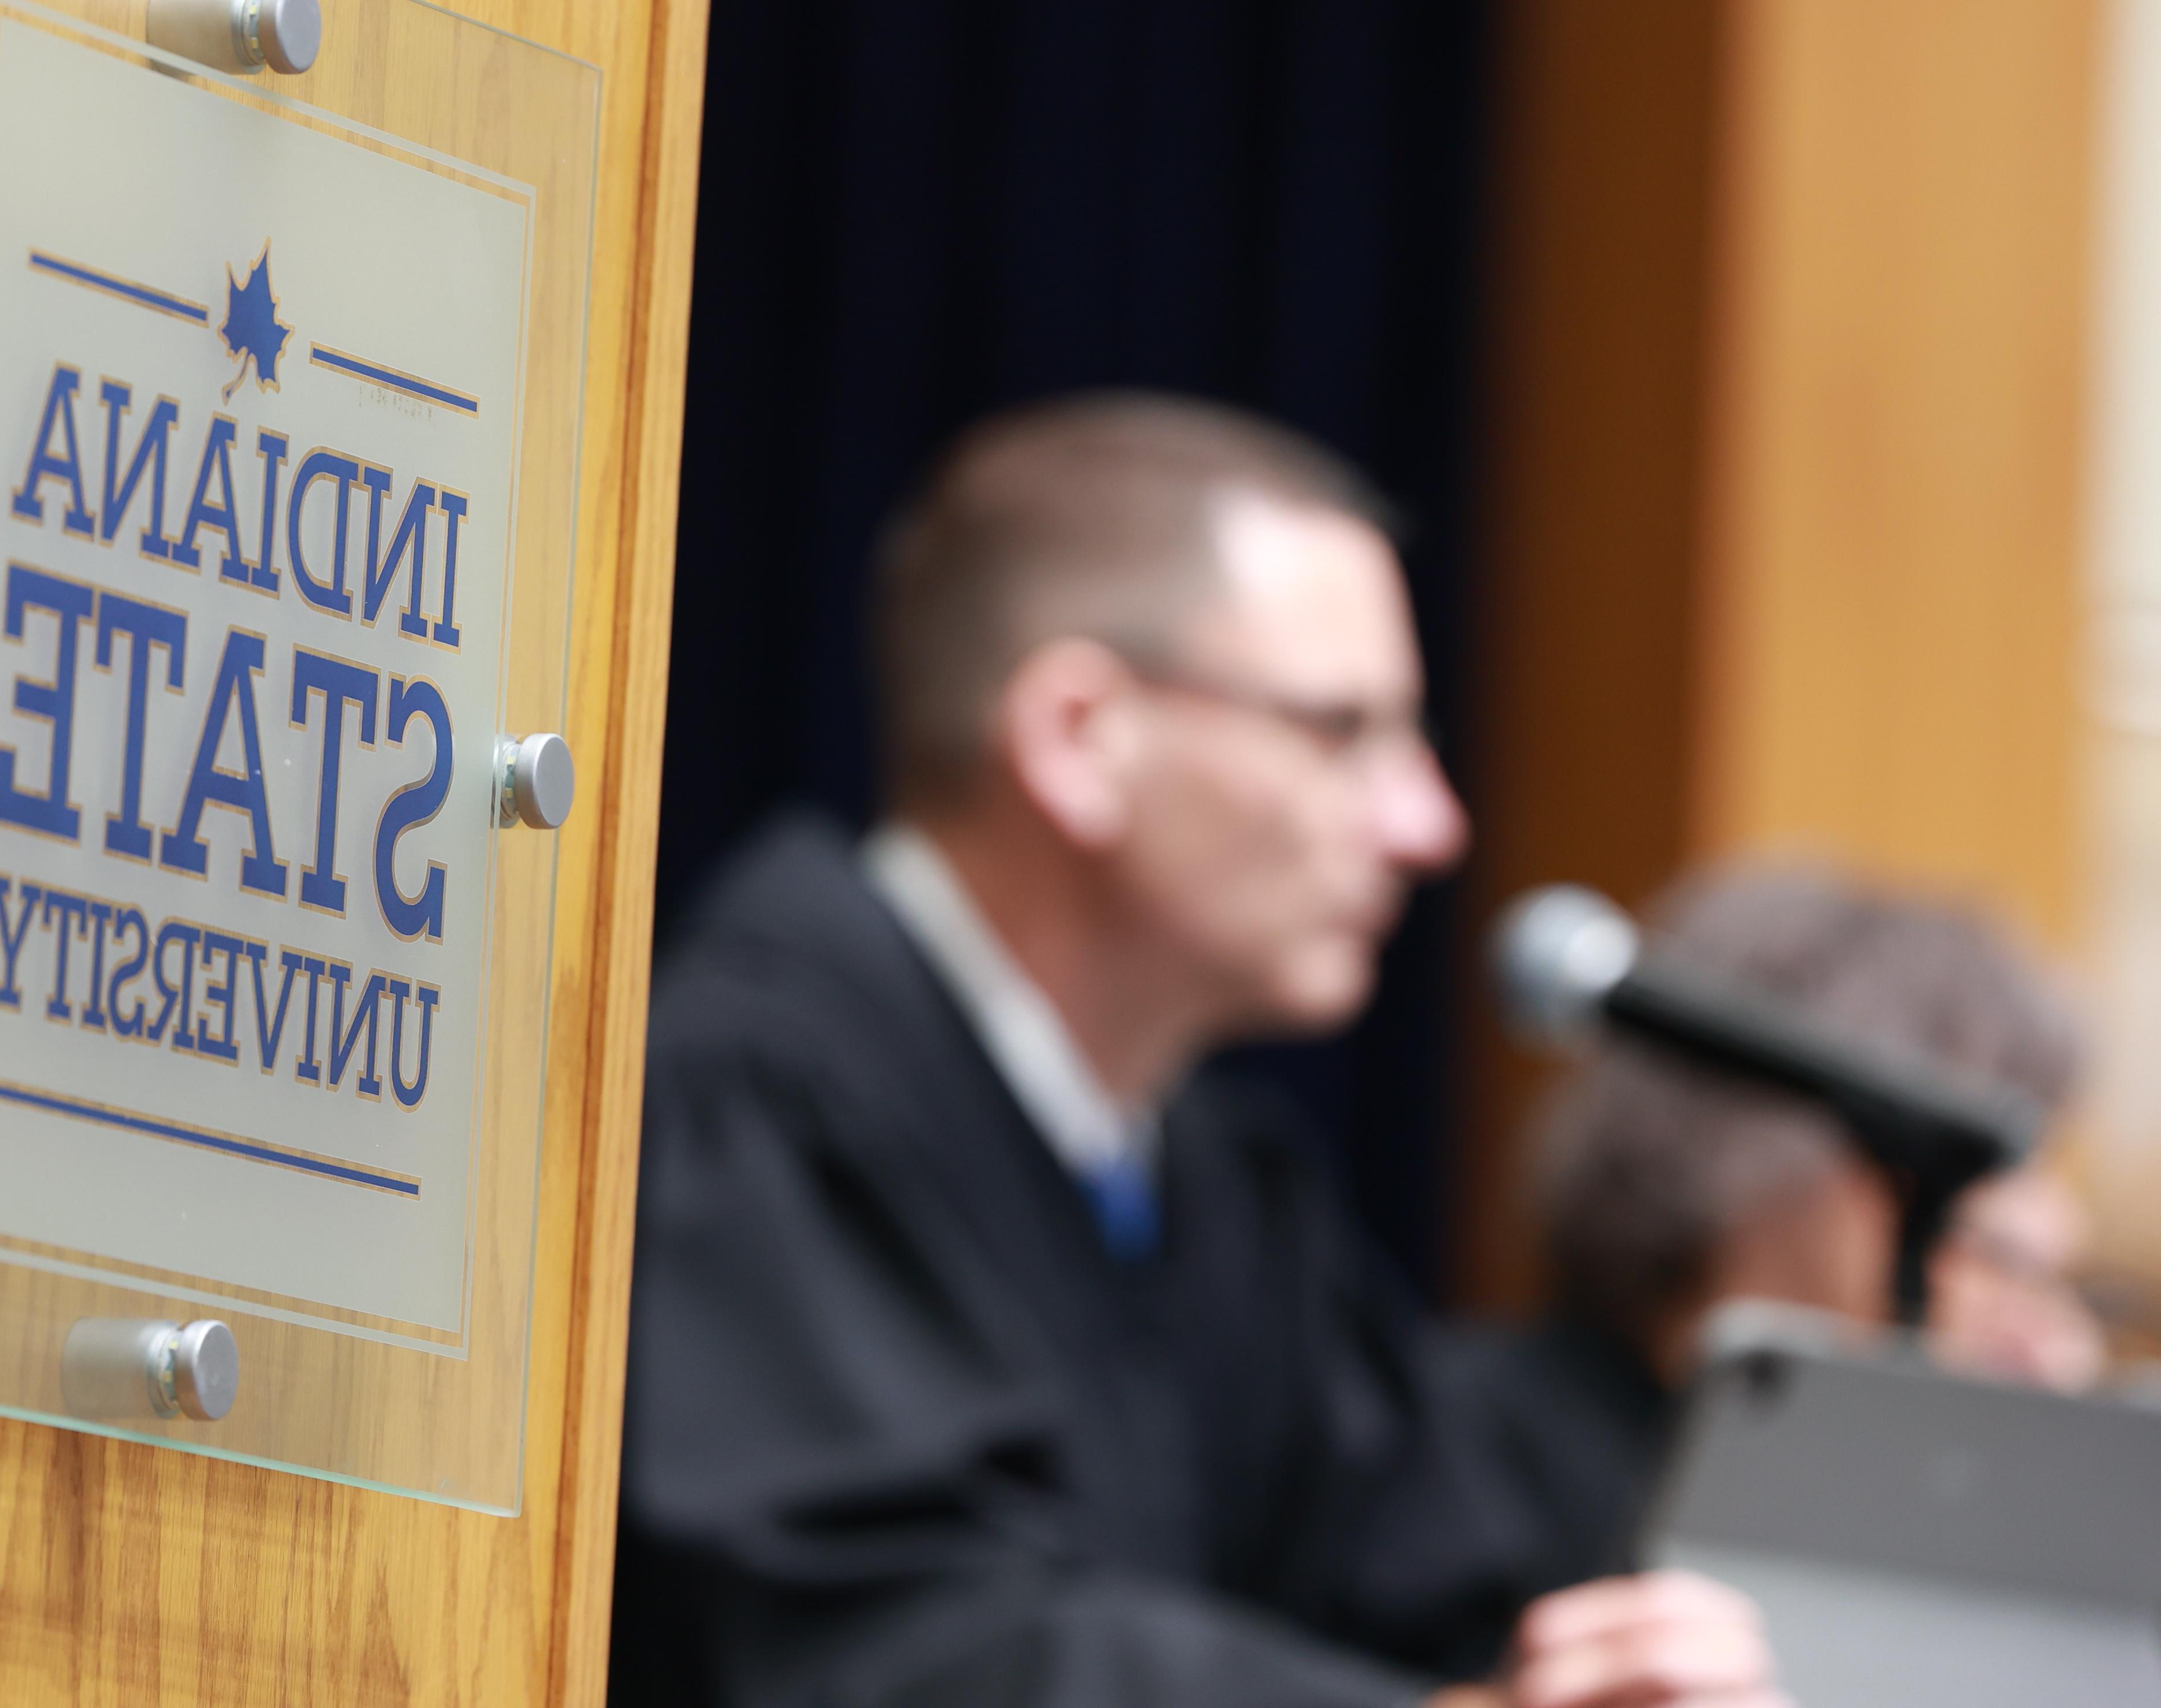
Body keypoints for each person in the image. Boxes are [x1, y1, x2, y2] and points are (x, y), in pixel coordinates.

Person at [613, 396, 1785, 1708]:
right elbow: (893, 1655)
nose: (1426, 825)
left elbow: (1434, 1610)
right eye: (1342, 732)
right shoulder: (757, 1100)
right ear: (1076, 738)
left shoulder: (1219, 1193)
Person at [1451, 865, 2100, 1596]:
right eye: (1957, 1164)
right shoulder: (1444, 1451)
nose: (2046, 1226)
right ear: (1757, 1151)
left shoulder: (1952, 1489)